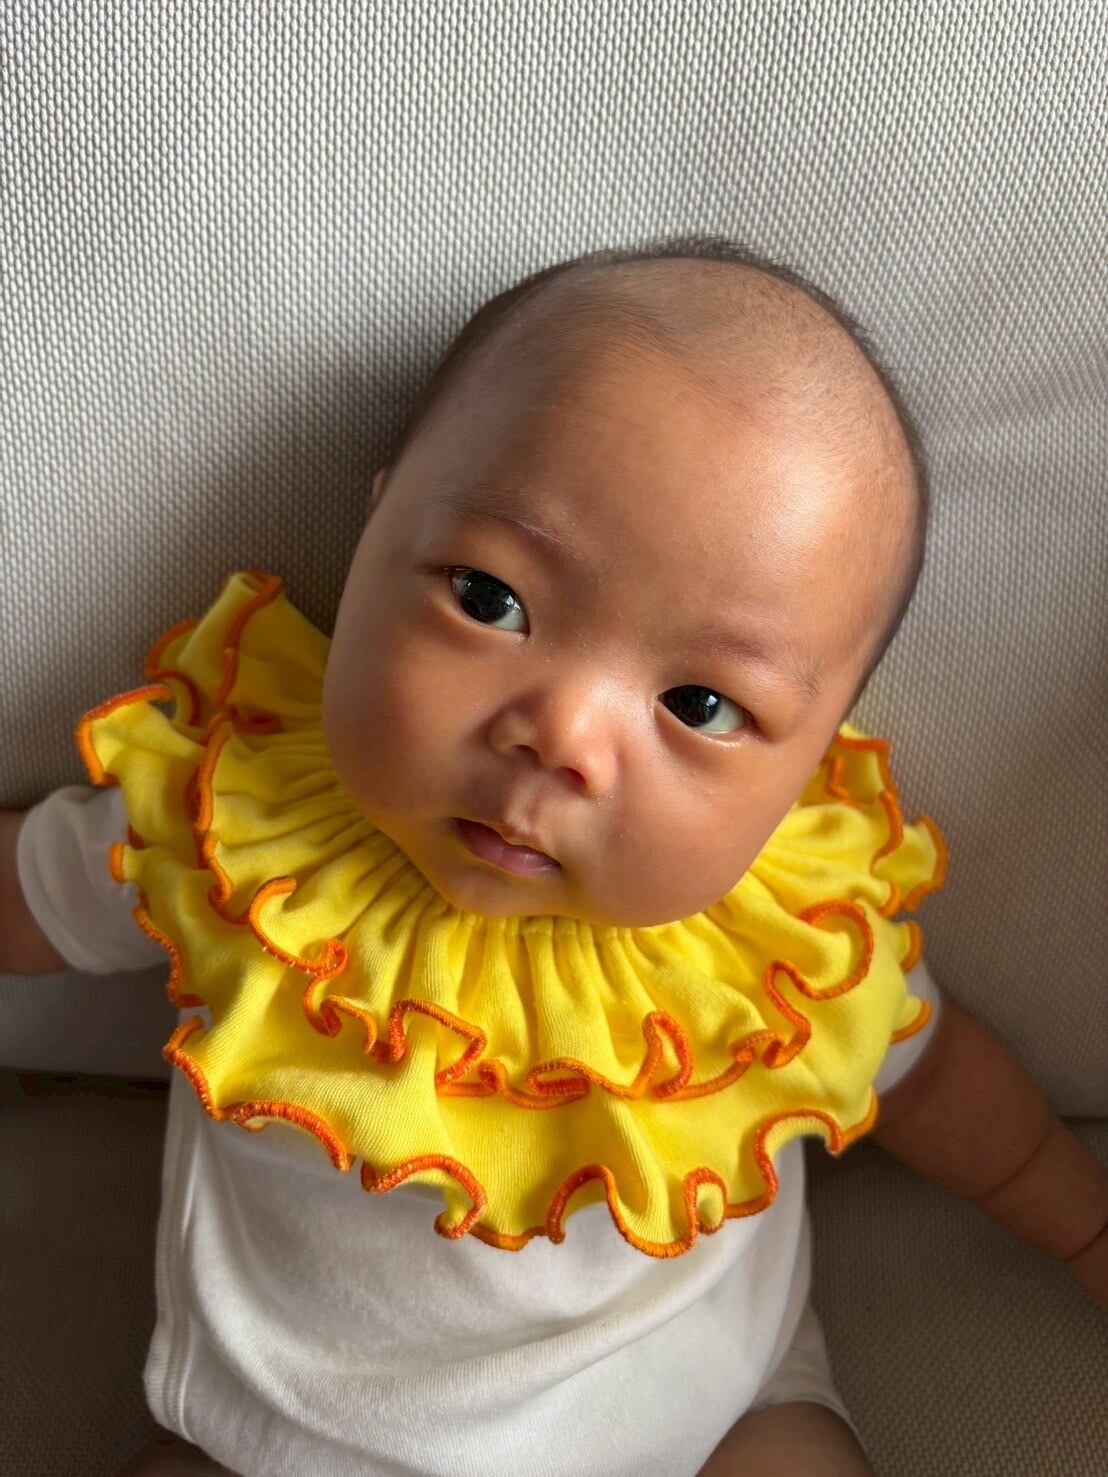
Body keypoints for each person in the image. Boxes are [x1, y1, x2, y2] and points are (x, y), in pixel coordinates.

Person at [3, 239, 1104, 1476]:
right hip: (286, 1439)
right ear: (374, 529)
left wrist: (1083, 1227)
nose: (563, 737)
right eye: (489, 598)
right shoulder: (233, 832)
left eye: (698, 705)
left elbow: (942, 1084)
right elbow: (25, 900)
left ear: (809, 761)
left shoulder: (788, 953)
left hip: (711, 1416)